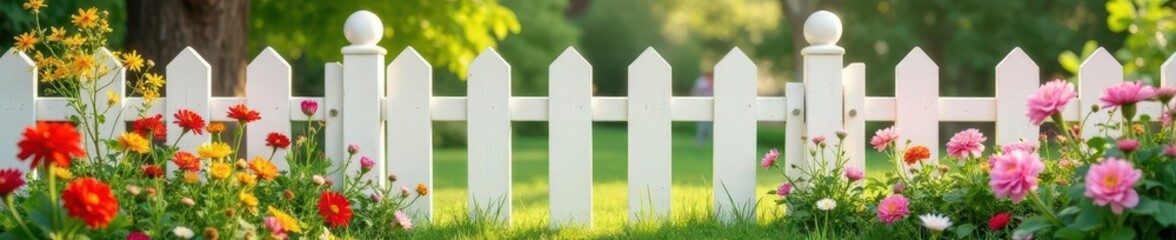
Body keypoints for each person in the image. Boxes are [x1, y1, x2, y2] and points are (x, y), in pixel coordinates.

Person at [692, 72, 714, 146]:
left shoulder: (714, 80)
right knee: (702, 124)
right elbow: (696, 90)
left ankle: (713, 141)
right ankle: (700, 142)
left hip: (713, 104)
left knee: (713, 125)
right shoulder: (701, 81)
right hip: (703, 103)